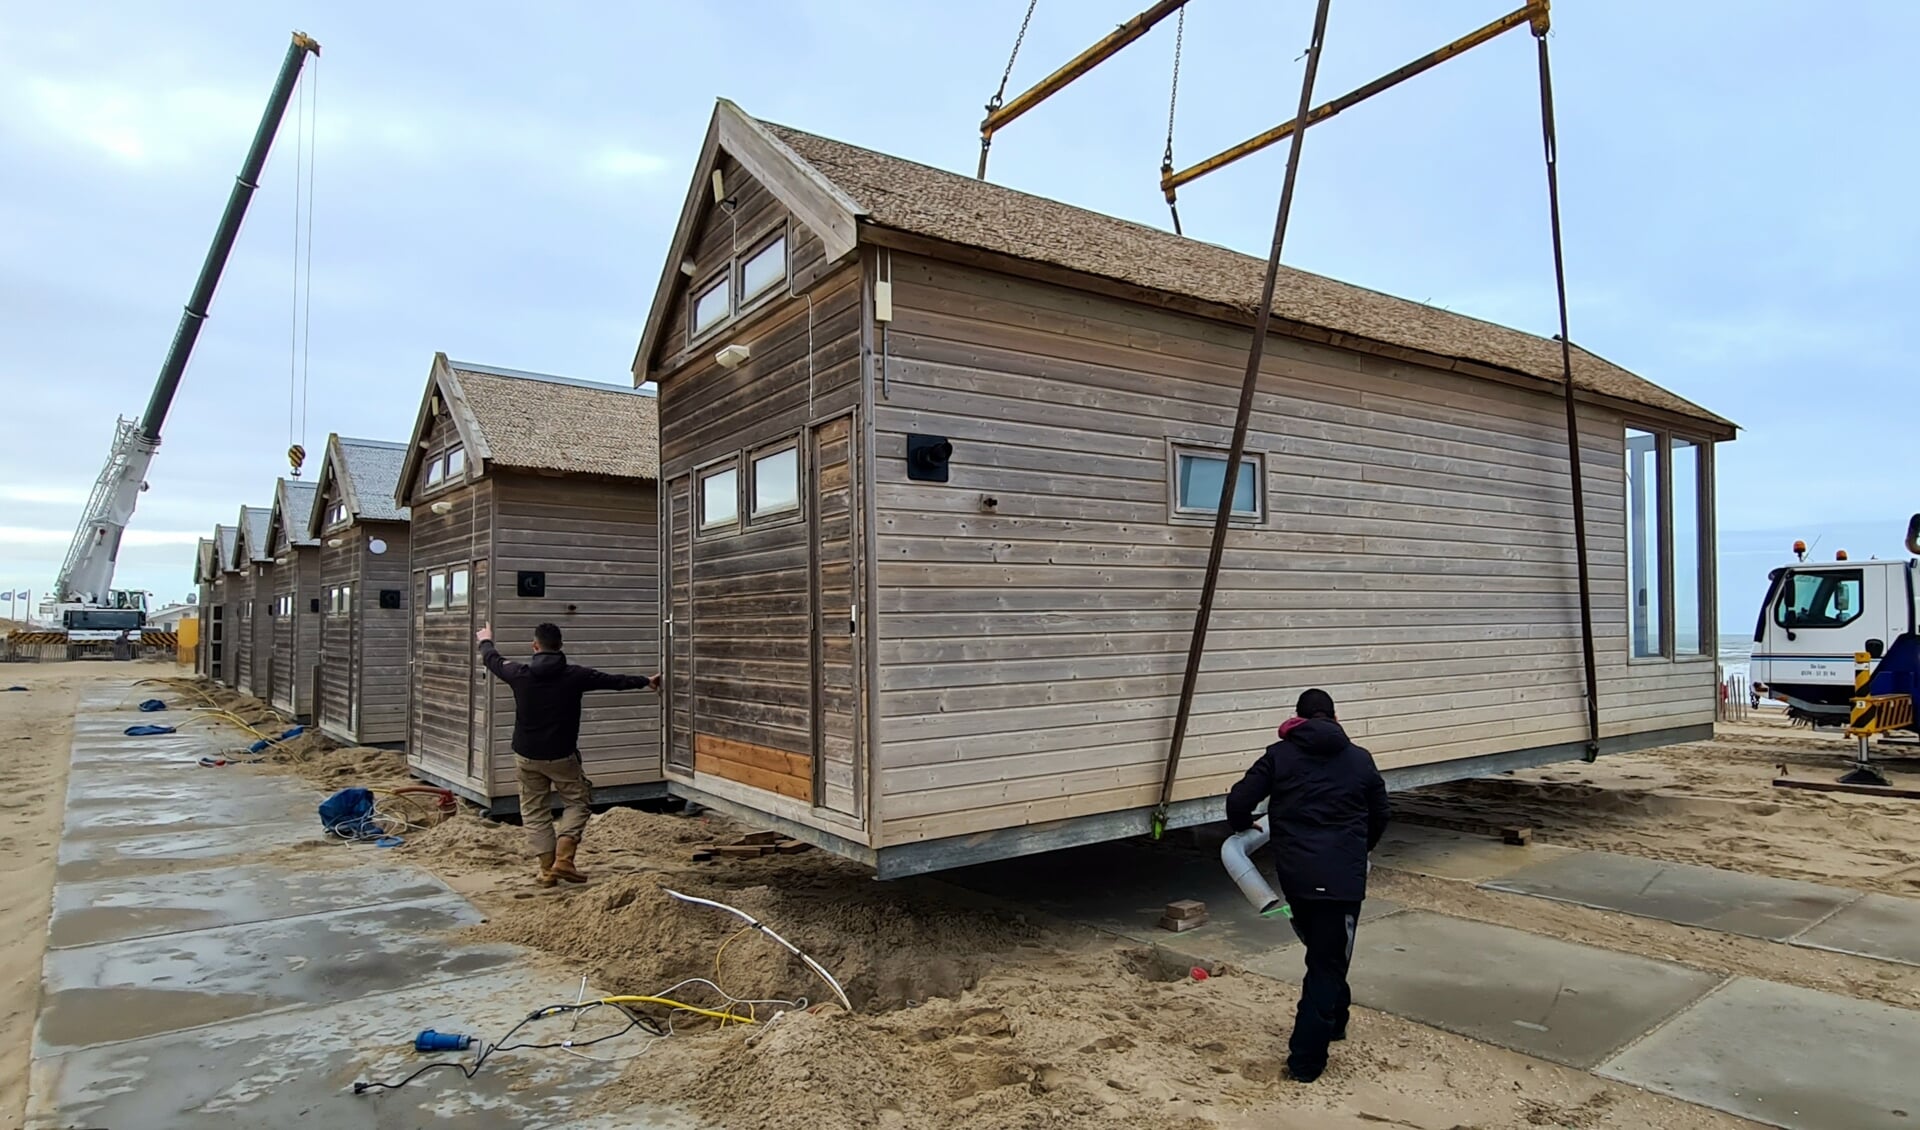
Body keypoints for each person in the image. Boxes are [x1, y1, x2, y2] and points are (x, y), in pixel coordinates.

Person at [1225, 688, 1390, 1084]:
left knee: (1323, 953)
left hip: (1297, 876)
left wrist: (1243, 826)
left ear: (1298, 718)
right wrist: (1358, 849)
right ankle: (1305, 1063)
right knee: (1328, 960)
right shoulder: (1359, 759)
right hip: (1343, 881)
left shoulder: (1279, 755)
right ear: (1333, 717)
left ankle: (1336, 1021)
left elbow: (1238, 801)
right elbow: (1381, 815)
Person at [476, 622, 660, 887]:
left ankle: (546, 871)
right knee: (576, 802)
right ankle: (564, 859)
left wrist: (486, 640)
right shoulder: (575, 675)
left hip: (526, 756)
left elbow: (492, 660)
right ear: (560, 646)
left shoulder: (519, 673)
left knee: (534, 811)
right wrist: (645, 681)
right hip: (563, 756)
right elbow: (613, 681)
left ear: (534, 646)